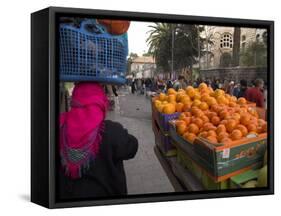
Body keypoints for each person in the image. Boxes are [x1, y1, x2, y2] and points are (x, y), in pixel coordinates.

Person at [59, 82, 138, 199]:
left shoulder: (60, 126)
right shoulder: (111, 131)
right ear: (100, 101)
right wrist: (122, 132)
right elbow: (132, 148)